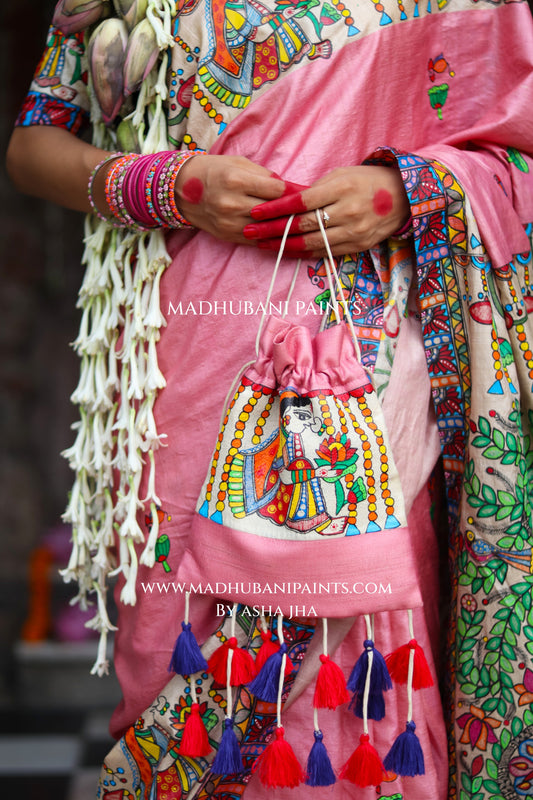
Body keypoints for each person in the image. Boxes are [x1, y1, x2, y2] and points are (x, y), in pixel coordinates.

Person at [7, 0, 533, 798]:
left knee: (365, 683)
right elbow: (33, 145)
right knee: (178, 661)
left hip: (388, 366)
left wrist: (404, 190)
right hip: (184, 361)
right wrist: (170, 184)